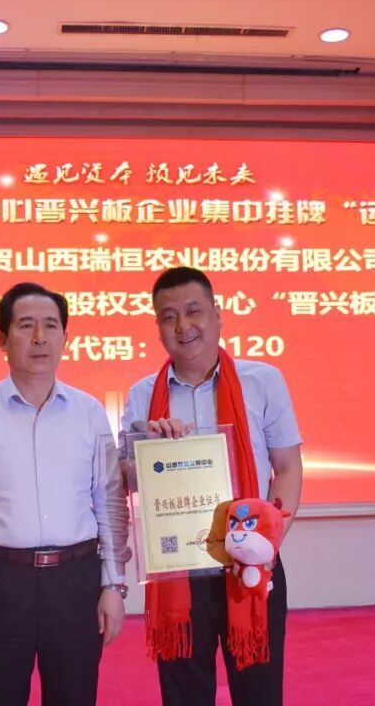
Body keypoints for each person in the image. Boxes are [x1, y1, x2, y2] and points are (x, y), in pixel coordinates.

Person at [0, 282, 130, 706]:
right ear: (3, 339)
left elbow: (110, 504)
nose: (40, 338)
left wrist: (114, 585)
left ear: (65, 337)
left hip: (75, 582)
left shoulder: (89, 412)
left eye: (51, 326)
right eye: (26, 325)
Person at [121, 267, 304, 706]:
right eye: (168, 317)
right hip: (179, 572)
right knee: (184, 696)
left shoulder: (263, 381)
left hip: (251, 566)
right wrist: (147, 451)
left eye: (193, 311)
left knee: (259, 694)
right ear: (158, 328)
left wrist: (267, 543)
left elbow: (287, 467)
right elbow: (128, 479)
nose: (183, 326)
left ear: (217, 315)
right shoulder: (143, 396)